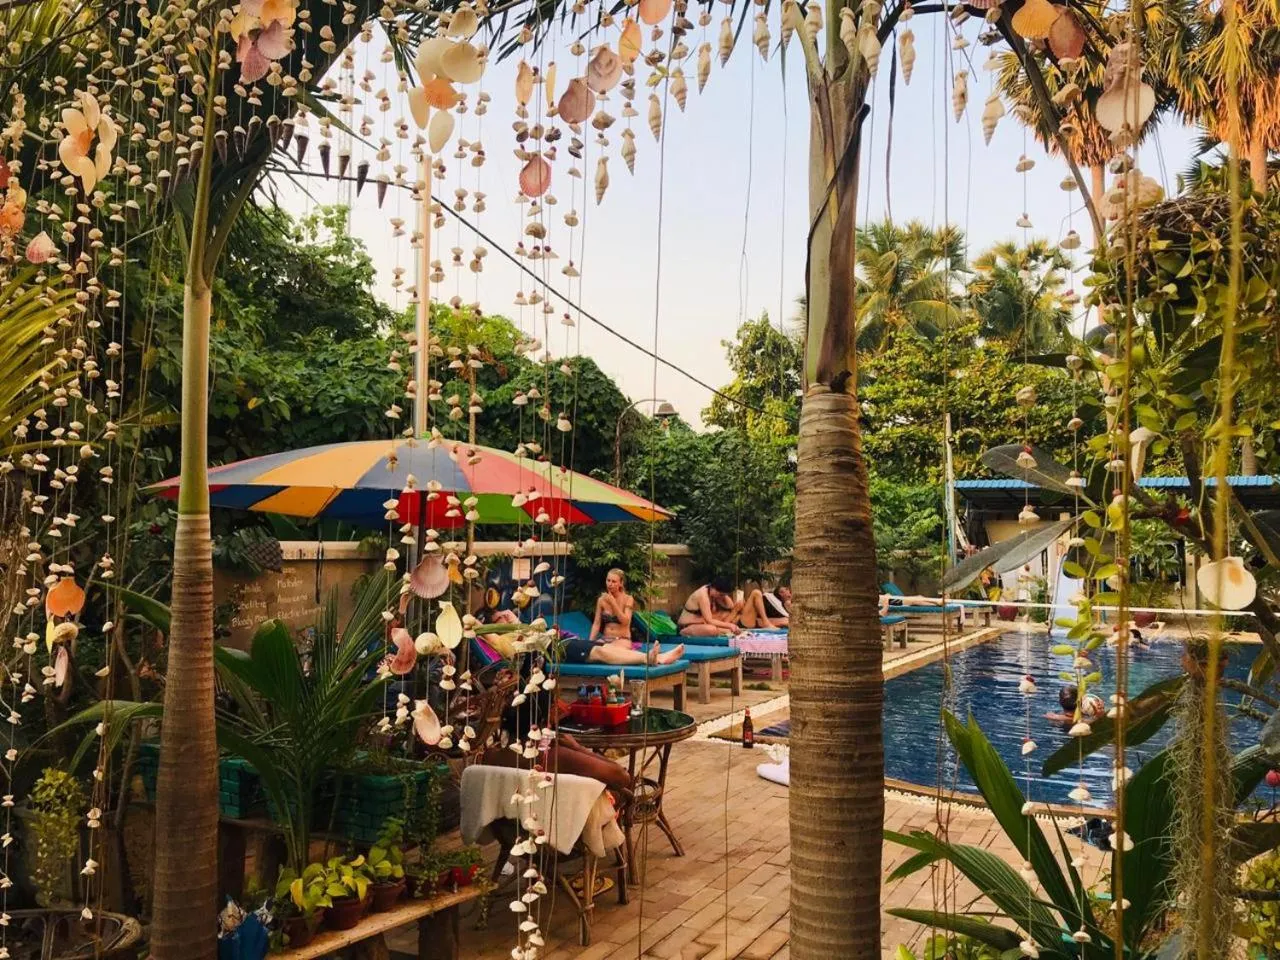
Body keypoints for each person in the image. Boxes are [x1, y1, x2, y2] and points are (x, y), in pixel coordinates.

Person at [590, 568, 635, 643]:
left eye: (614, 581)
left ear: (621, 583)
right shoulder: (601, 600)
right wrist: (590, 642)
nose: (610, 584)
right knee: (593, 650)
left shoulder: (628, 599)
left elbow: (626, 622)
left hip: (622, 639)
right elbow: (596, 623)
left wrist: (613, 603)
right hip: (606, 639)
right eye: (608, 580)